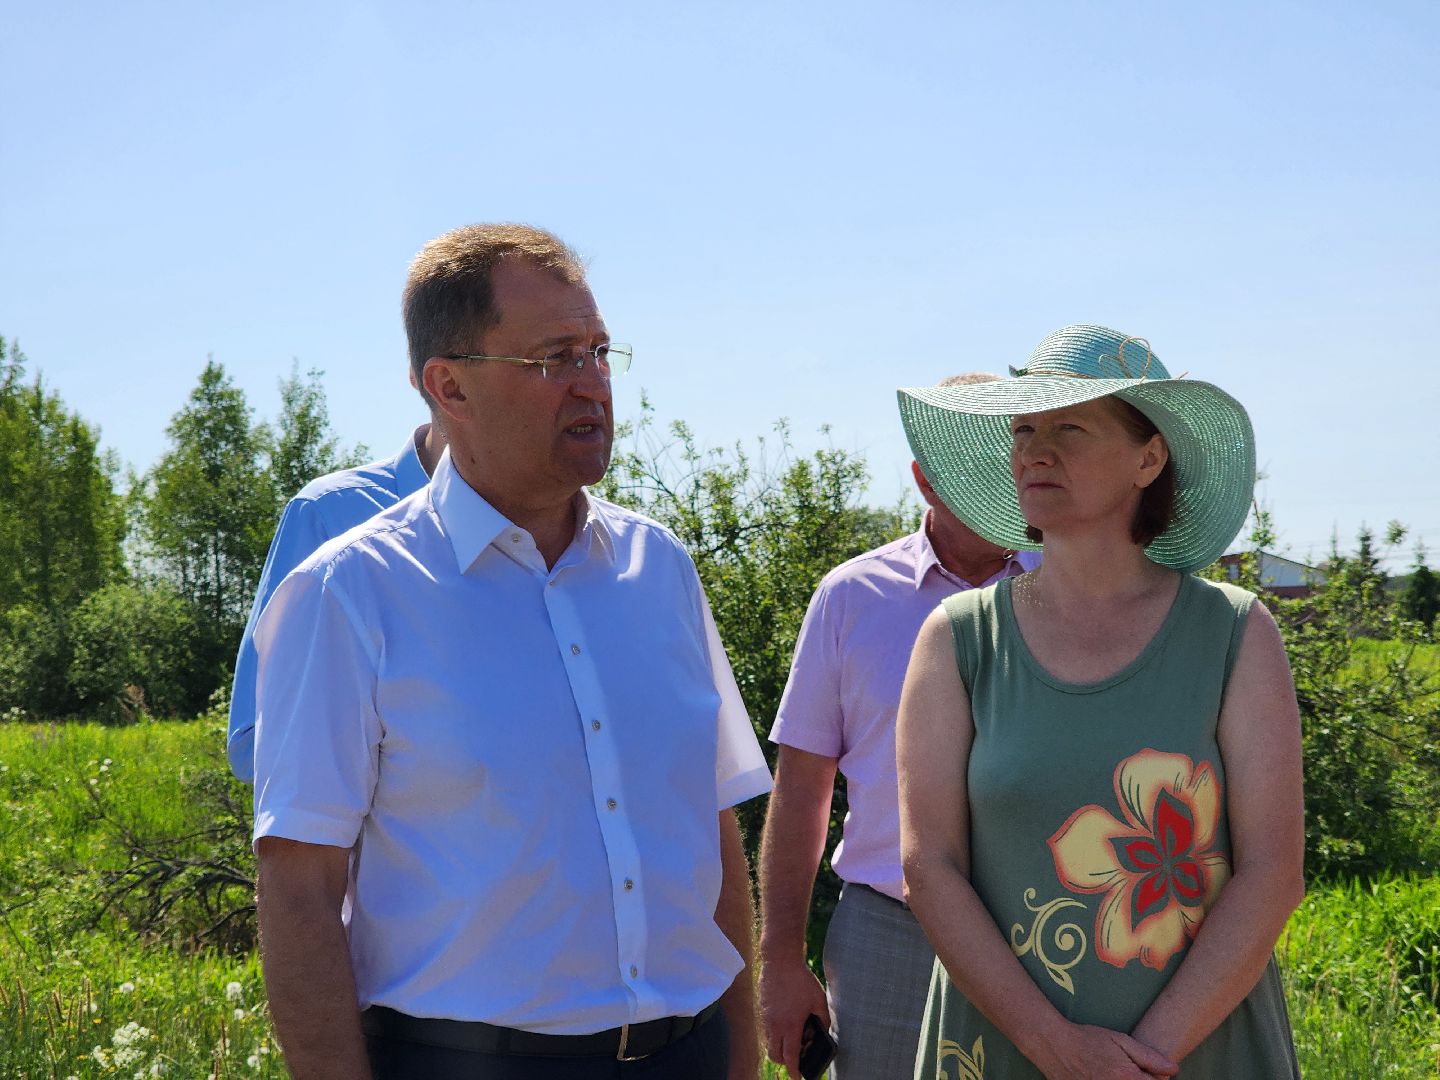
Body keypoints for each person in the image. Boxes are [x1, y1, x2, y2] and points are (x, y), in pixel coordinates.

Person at [251, 224, 772, 1080]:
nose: (593, 384)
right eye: (554, 358)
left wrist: (739, 1061)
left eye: (600, 352)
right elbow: (299, 892)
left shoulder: (660, 571)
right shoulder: (346, 595)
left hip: (689, 1051)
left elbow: (711, 833)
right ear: (448, 386)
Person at [896, 325, 1303, 1079]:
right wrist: (1056, 1047)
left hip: (1198, 1050)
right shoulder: (958, 639)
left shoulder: (1235, 634)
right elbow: (931, 865)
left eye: (1069, 427)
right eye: (1023, 429)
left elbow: (1273, 870)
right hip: (1003, 1049)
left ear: (1149, 459)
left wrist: (1144, 1060)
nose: (1034, 450)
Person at [758, 373, 1040, 1080]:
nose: (1000, 489)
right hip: (891, 934)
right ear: (925, 479)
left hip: (1047, 928)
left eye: (1008, 466)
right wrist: (781, 962)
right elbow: (800, 793)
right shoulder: (851, 597)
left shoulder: (1067, 590)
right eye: (974, 474)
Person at [227, 419, 445, 782]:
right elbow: (257, 744)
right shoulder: (329, 512)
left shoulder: (571, 525)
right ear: (440, 381)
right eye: (544, 362)